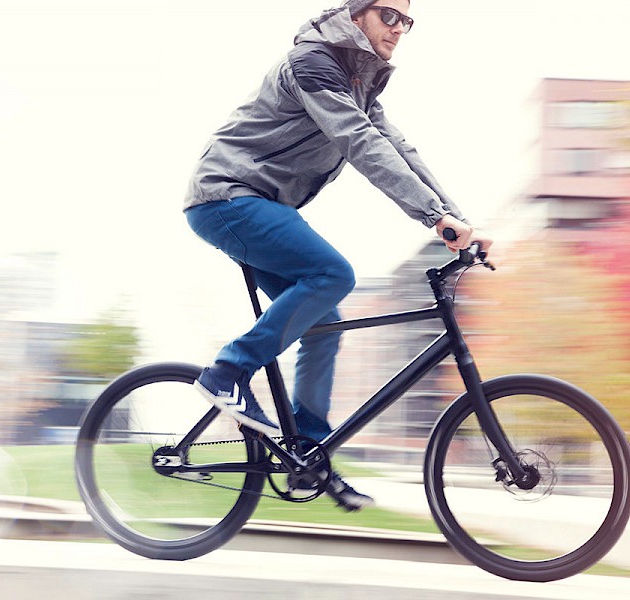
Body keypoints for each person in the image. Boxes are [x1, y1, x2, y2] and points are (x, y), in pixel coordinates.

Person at [182, 0, 492, 510]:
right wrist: (432, 218)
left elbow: (397, 147)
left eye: (406, 20)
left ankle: (308, 454)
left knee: (324, 323)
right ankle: (228, 372)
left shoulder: (358, 81)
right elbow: (360, 142)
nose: (399, 29)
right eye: (388, 15)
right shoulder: (315, 62)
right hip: (228, 197)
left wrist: (457, 219)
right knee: (332, 273)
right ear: (356, 14)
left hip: (258, 205)